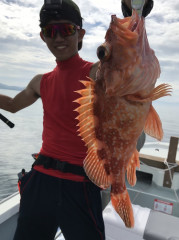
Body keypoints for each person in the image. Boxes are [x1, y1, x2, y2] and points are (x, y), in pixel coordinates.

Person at [0, 1, 152, 239]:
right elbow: (11, 105)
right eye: (51, 31)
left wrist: (136, 13)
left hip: (80, 183)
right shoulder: (40, 81)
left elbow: (123, 63)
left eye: (67, 30)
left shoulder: (95, 72)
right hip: (41, 180)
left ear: (80, 33)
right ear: (43, 36)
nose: (58, 37)